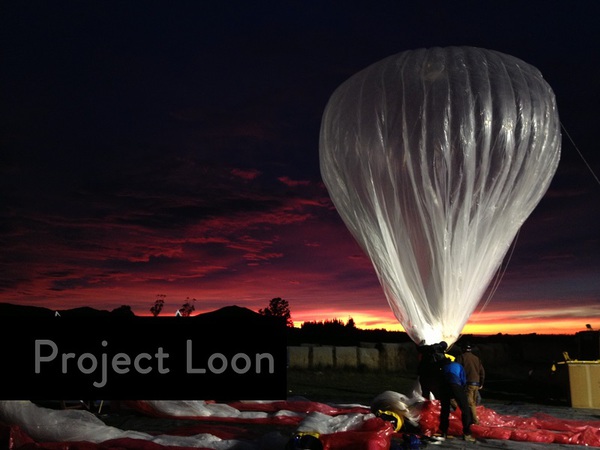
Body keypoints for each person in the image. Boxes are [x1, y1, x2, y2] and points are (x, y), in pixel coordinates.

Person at [438, 358, 475, 442]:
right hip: (456, 385)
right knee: (465, 409)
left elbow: (440, 381)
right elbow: (463, 379)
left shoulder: (442, 367)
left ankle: (443, 432)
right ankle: (467, 433)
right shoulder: (457, 365)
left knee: (445, 410)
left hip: (444, 387)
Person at [456, 344, 485, 425]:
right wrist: (481, 383)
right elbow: (482, 372)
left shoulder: (461, 357)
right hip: (476, 383)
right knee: (474, 402)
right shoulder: (476, 358)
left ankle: (475, 422)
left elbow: (457, 369)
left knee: (470, 403)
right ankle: (472, 419)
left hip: (468, 383)